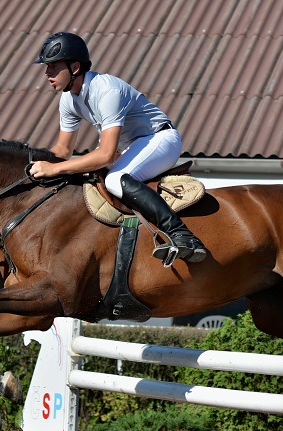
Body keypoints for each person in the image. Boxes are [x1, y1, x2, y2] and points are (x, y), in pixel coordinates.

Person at [28, 31, 207, 265]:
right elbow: (62, 151)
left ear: (74, 68)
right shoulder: (68, 99)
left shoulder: (106, 90)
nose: (46, 73)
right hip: (133, 147)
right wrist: (32, 163)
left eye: (53, 66)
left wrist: (54, 169)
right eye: (46, 66)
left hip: (161, 140)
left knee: (114, 179)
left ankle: (182, 235)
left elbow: (105, 155)